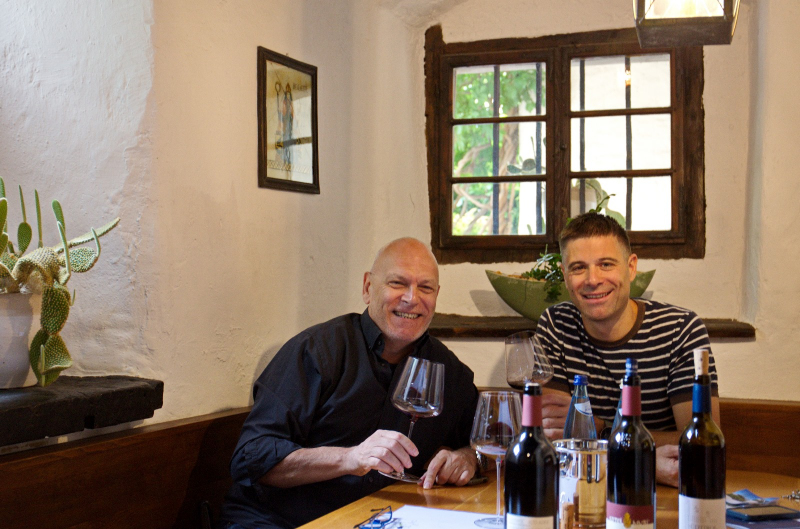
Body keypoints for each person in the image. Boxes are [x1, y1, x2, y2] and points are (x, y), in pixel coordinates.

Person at [218, 238, 481, 529]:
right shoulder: (317, 352)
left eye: (425, 287)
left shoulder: (449, 370)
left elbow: (482, 443)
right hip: (277, 521)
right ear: (368, 287)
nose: (411, 298)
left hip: (376, 519)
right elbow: (251, 457)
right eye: (397, 283)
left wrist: (466, 457)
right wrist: (351, 458)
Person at [535, 212, 720, 487]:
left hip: (663, 497)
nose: (592, 279)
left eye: (606, 264)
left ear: (631, 267)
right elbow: (557, 442)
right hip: (581, 491)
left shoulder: (681, 330)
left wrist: (600, 429)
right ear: (564, 275)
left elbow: (701, 441)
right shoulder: (555, 326)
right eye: (578, 267)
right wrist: (641, 461)